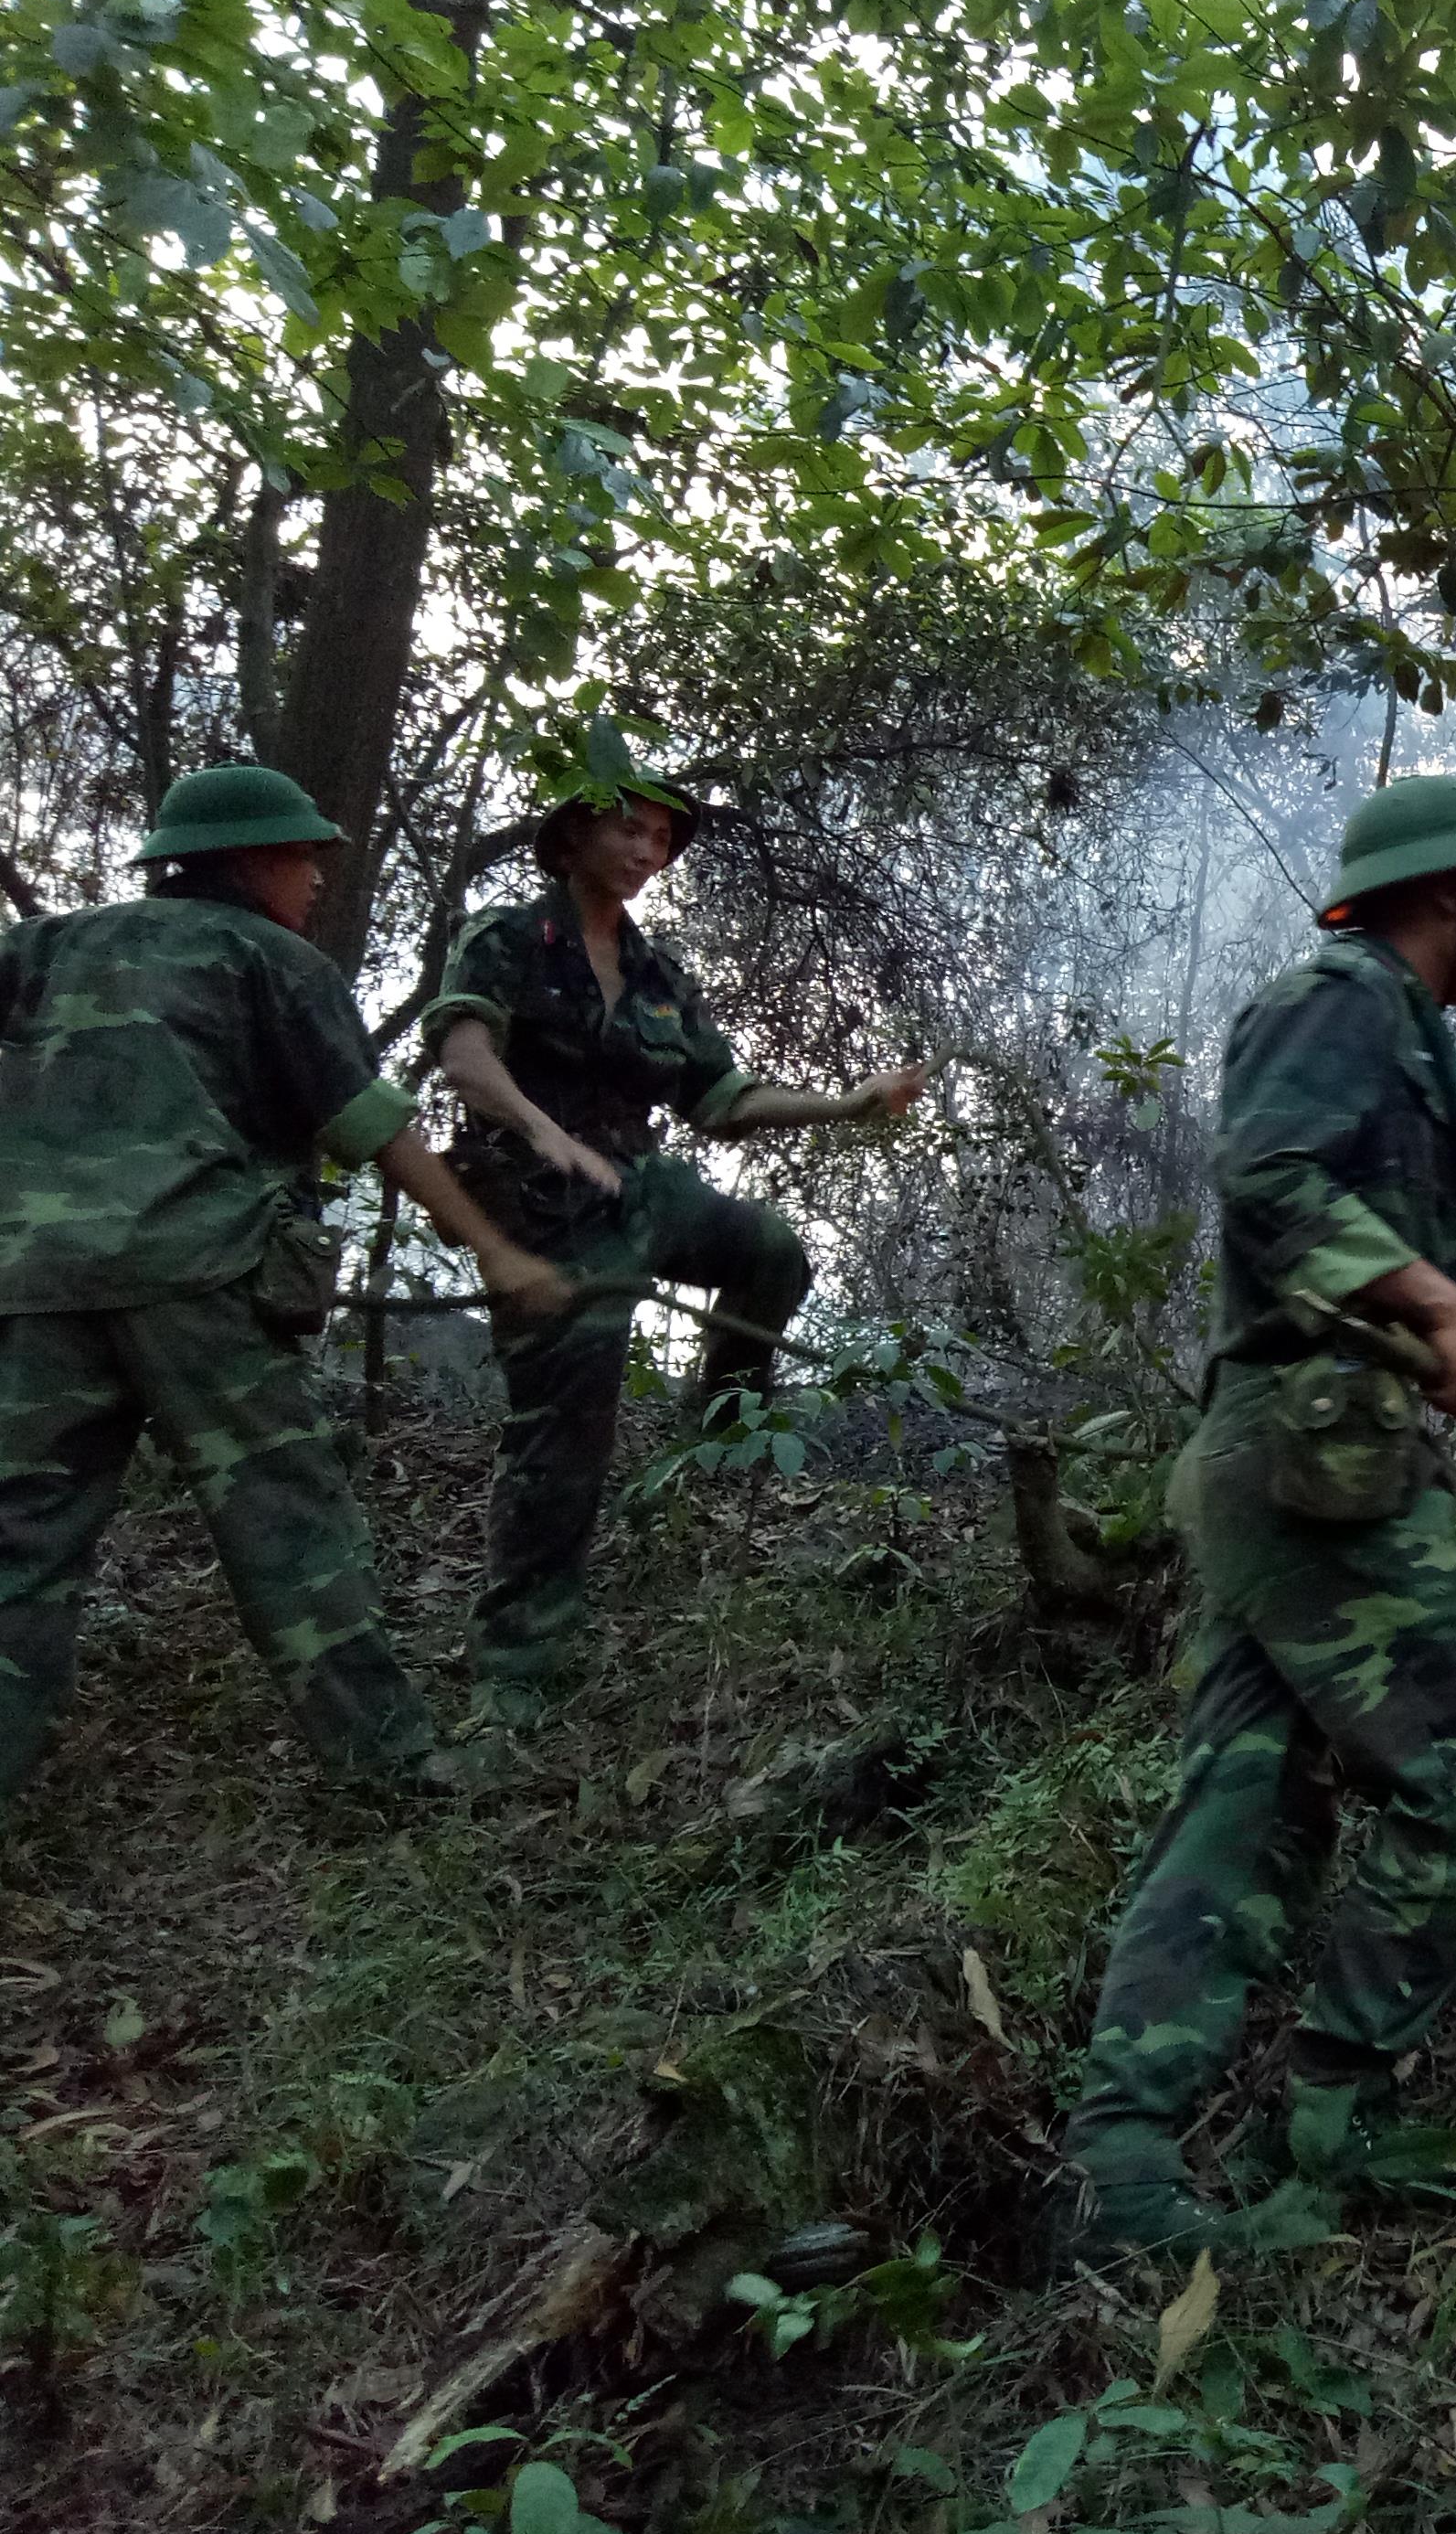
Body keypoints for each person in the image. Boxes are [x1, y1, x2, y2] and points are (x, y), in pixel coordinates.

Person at [1052, 773, 1456, 2271]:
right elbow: (1267, 1175)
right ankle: (1336, 2111)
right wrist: (1434, 1299)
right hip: (1305, 1460)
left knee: (1249, 1802)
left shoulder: (1396, 1027)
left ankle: (1118, 2168)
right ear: (1444, 894)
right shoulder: (1338, 997)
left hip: (1298, 1461)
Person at [0, 765, 573, 1815]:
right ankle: (393, 1773)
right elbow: (369, 1127)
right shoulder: (269, 958)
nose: (316, 879)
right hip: (197, 1279)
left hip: (34, 1287)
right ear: (250, 859)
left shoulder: (42, 948)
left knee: (16, 1552)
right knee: (290, 1527)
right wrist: (493, 1249)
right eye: (304, 858)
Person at [420, 769, 928, 1720]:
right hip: (541, 1203)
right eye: (628, 830)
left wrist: (847, 1103)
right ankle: (516, 1672)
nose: (646, 851)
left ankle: (719, 1437)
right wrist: (542, 1130)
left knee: (771, 1255)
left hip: (640, 1185)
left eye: (660, 838)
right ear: (574, 838)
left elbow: (722, 1099)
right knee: (565, 1431)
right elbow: (464, 1055)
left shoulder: (657, 974)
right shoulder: (508, 938)